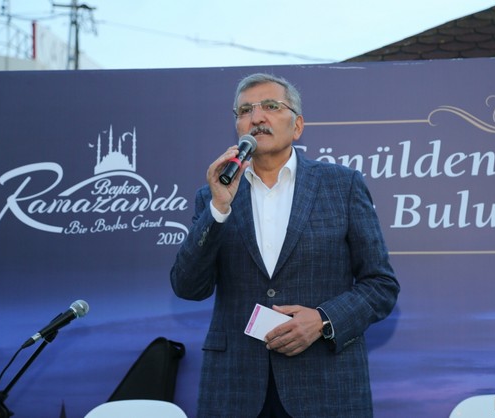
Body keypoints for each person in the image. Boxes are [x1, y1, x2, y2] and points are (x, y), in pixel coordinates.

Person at [170, 73, 399, 418]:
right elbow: (188, 287)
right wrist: (218, 209)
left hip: (325, 386)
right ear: (238, 127)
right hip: (235, 388)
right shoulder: (213, 195)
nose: (257, 117)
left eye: (271, 106)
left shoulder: (342, 185)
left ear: (297, 126)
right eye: (245, 110)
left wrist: (322, 320)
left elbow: (381, 285)